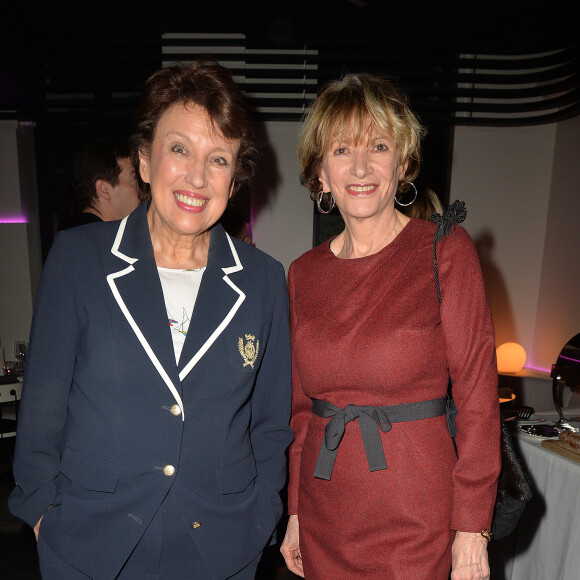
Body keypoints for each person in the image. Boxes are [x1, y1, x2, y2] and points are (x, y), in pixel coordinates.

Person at [9, 60, 292, 579]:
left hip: (221, 548)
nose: (197, 177)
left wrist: (260, 519)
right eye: (179, 149)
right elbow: (42, 411)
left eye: (219, 158)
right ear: (144, 160)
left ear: (235, 178)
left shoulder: (263, 280)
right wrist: (44, 516)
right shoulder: (78, 259)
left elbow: (271, 425)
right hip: (91, 546)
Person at [280, 73, 500, 580]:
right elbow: (299, 412)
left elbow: (478, 397)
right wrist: (294, 511)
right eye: (341, 150)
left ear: (402, 164)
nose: (360, 167)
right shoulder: (302, 273)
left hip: (415, 516)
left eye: (378, 146)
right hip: (323, 507)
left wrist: (472, 528)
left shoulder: (444, 250)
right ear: (320, 173)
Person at [57, 137, 141, 230]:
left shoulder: (80, 233)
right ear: (104, 189)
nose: (141, 189)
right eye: (134, 179)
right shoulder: (100, 239)